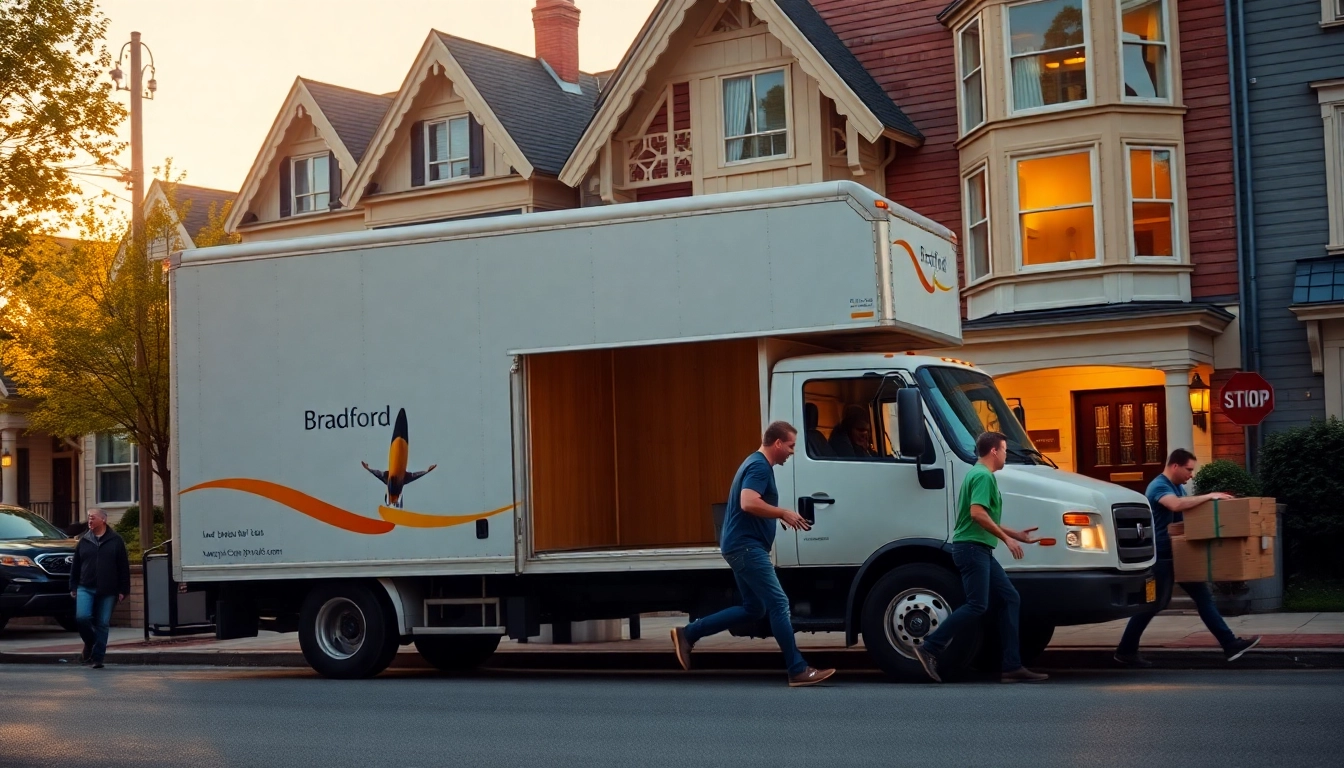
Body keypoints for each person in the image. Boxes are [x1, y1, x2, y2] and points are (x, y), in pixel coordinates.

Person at [671, 421, 836, 687]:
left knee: (754, 608)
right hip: (746, 547)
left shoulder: (755, 463)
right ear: (778, 443)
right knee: (779, 604)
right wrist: (782, 512)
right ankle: (797, 669)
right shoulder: (759, 466)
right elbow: (747, 502)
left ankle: (688, 634)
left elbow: (753, 505)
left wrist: (772, 517)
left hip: (741, 545)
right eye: (791, 446)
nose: (792, 452)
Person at [914, 431, 1049, 683]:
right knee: (977, 605)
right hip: (972, 549)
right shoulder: (983, 476)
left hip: (978, 549)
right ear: (994, 451)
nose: (1007, 455)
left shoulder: (976, 474)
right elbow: (977, 513)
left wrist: (1015, 534)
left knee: (1010, 598)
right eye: (1005, 449)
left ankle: (1012, 666)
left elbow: (983, 516)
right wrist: (1006, 539)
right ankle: (930, 646)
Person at [1114, 449, 1261, 666]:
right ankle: (1125, 651)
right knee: (1153, 604)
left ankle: (1230, 644)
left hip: (1178, 553)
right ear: (1175, 466)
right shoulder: (1159, 486)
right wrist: (1210, 496)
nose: (1191, 474)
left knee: (1202, 598)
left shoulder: (1177, 487)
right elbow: (1175, 505)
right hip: (1164, 555)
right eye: (1189, 469)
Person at [68, 508, 131, 669]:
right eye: (88, 518)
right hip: (85, 586)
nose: (89, 521)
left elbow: (123, 567)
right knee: (82, 618)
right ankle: (91, 643)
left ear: (103, 520)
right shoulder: (83, 540)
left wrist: (124, 590)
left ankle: (97, 659)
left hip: (108, 590)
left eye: (93, 518)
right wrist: (73, 585)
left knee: (102, 623)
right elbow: (76, 565)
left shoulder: (116, 540)